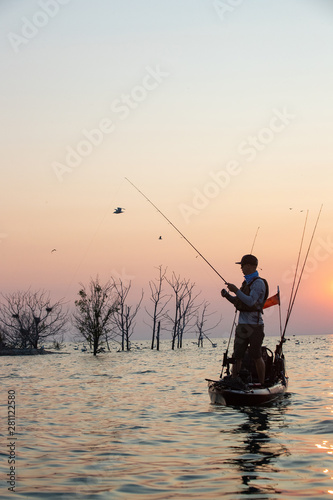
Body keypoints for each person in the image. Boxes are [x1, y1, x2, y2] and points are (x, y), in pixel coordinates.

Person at [221, 254, 267, 385]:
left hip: (255, 326)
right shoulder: (245, 284)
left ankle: (262, 384)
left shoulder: (258, 283)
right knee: (237, 356)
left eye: (243, 265)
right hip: (242, 324)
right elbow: (239, 302)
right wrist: (227, 295)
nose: (241, 268)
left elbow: (251, 301)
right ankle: (235, 380)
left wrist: (236, 290)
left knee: (256, 355)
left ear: (250, 266)